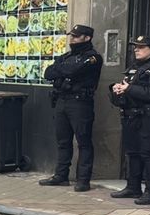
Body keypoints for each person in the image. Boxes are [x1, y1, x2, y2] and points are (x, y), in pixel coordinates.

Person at [41, 24, 103, 191]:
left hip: (80, 103)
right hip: (62, 101)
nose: (72, 39)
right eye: (72, 36)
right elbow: (48, 73)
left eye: (76, 36)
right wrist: (63, 69)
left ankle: (83, 180)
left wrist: (61, 69)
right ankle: (61, 176)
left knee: (83, 142)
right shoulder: (67, 56)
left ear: (87, 38)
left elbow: (72, 70)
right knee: (63, 141)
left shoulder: (93, 57)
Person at [110, 33, 150, 204]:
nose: (136, 50)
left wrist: (129, 89)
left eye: (141, 47)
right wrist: (118, 90)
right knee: (132, 152)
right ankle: (133, 187)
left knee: (148, 154)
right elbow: (129, 87)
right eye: (135, 47)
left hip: (147, 117)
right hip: (131, 115)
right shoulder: (135, 67)